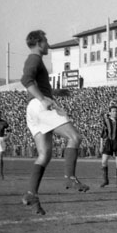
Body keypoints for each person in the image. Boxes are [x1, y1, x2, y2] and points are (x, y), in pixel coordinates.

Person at [20, 30, 90, 216]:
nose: (48, 44)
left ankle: (31, 194)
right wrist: (43, 99)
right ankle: (70, 178)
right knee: (75, 137)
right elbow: (26, 80)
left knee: (44, 155)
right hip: (39, 106)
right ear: (38, 42)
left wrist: (54, 93)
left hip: (32, 109)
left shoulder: (35, 60)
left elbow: (35, 83)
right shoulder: (34, 59)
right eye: (45, 40)